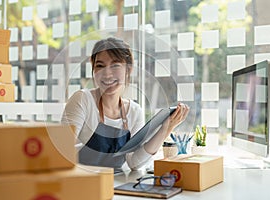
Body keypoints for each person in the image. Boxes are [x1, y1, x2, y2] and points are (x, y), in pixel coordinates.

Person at [61, 37, 189, 170]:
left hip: (115, 185)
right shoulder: (82, 99)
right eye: (100, 66)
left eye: (115, 65)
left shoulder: (134, 111)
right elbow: (61, 150)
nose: (107, 74)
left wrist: (165, 129)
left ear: (128, 69)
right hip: (83, 182)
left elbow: (135, 163)